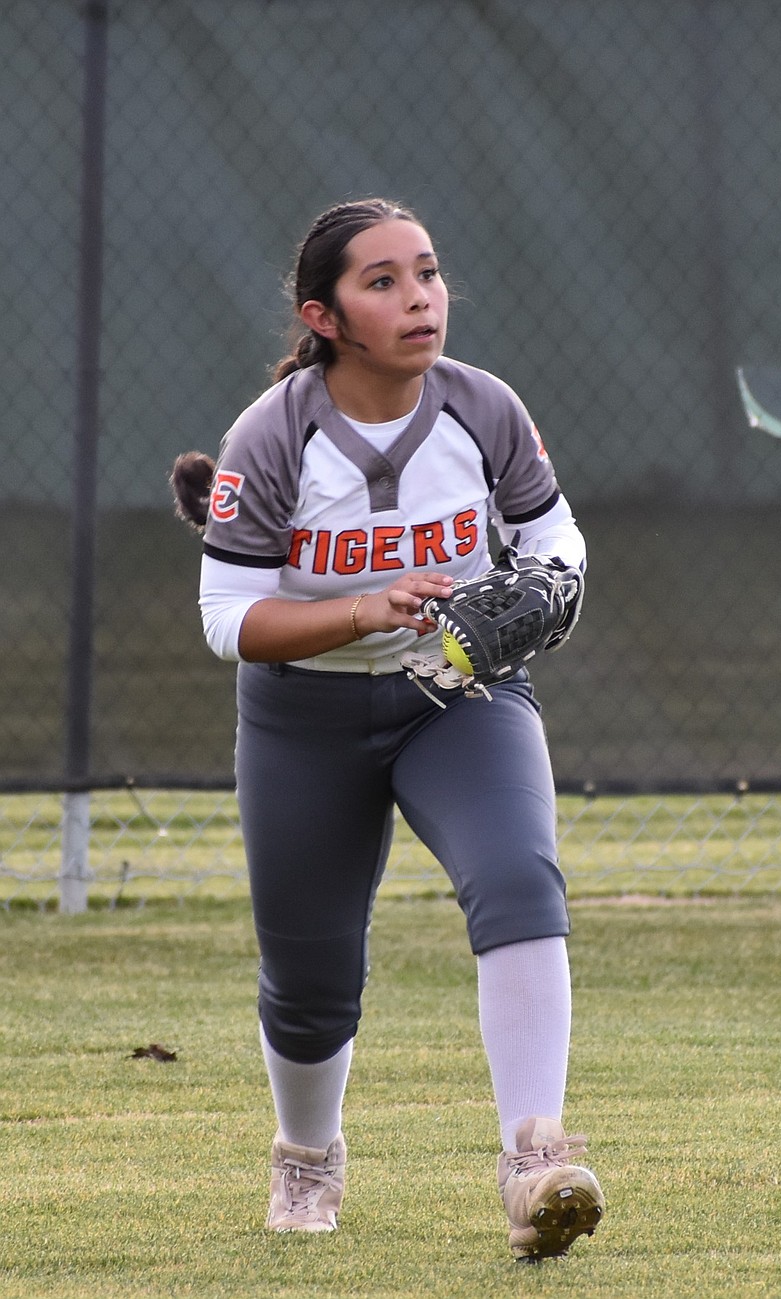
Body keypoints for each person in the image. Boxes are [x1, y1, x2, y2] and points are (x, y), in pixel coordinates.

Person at [171, 197, 603, 1261]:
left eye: (429, 273)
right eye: (384, 282)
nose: (419, 298)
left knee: (519, 881)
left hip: (457, 697)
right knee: (312, 977)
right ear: (324, 317)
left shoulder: (484, 407)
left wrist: (549, 588)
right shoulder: (272, 437)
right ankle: (308, 1156)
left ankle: (536, 1158)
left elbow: (559, 541)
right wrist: (360, 609)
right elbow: (228, 621)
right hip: (304, 716)